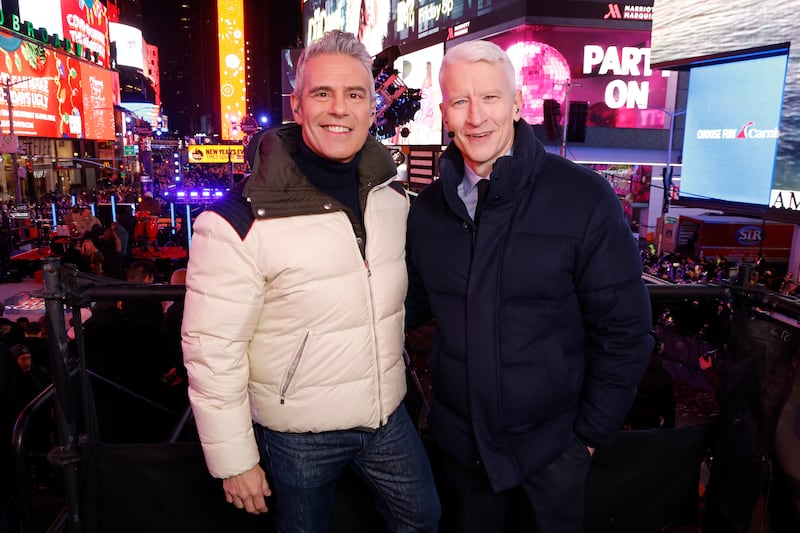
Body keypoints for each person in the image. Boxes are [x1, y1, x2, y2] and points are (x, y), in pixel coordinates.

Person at [181, 30, 440, 533]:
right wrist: (235, 460)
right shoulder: (239, 219)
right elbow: (212, 349)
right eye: (323, 94)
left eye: (354, 95)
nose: (338, 109)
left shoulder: (392, 199)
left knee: (424, 519)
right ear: (297, 106)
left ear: (371, 108)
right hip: (298, 432)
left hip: (387, 414)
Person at [405, 40, 654, 532]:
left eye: (491, 98)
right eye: (460, 102)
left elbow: (626, 331)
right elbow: (403, 310)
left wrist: (586, 437)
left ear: (518, 104)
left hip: (553, 452)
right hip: (463, 454)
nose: (476, 117)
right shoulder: (427, 210)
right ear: (444, 113)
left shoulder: (583, 197)